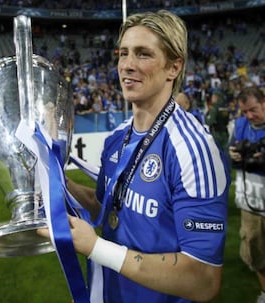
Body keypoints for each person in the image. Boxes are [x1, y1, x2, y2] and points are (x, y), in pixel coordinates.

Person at [38, 10, 230, 303]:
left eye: (143, 54)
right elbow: (107, 209)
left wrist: (96, 248)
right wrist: (54, 179)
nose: (127, 65)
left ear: (173, 67)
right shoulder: (117, 138)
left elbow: (203, 280)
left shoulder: (191, 148)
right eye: (123, 53)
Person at [228, 86, 265, 303]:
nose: (249, 116)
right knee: (256, 253)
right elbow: (228, 152)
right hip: (250, 203)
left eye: (253, 110)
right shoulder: (239, 125)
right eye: (244, 111)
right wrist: (232, 154)